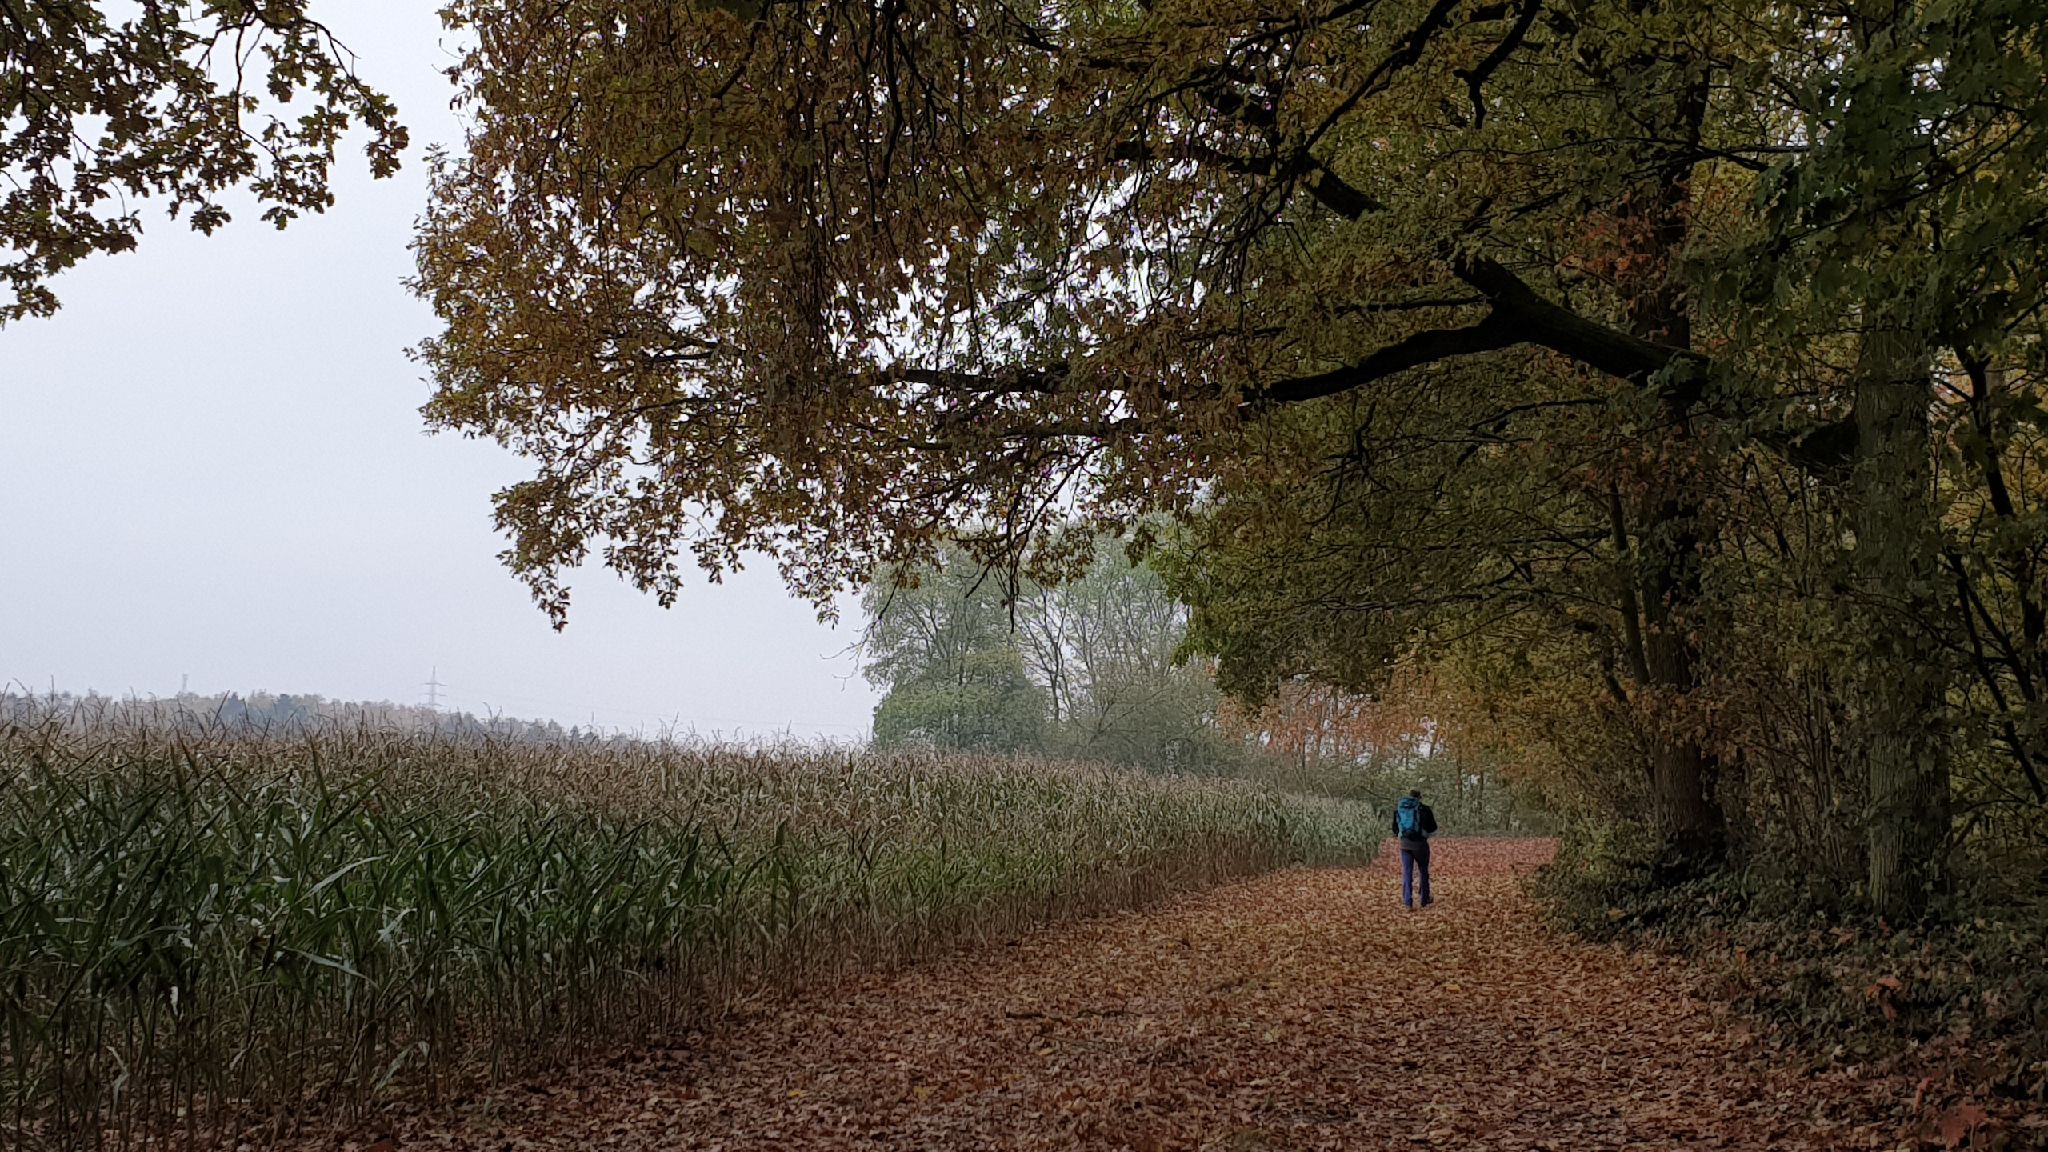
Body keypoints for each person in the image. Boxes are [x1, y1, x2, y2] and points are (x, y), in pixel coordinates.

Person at [1392, 789, 1438, 909]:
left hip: (1404, 845)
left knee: (1407, 872)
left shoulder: (1400, 808)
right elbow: (1433, 827)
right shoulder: (1424, 809)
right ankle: (1424, 899)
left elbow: (1395, 829)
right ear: (1419, 797)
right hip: (1420, 844)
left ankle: (1408, 901)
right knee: (1423, 871)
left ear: (1409, 796)